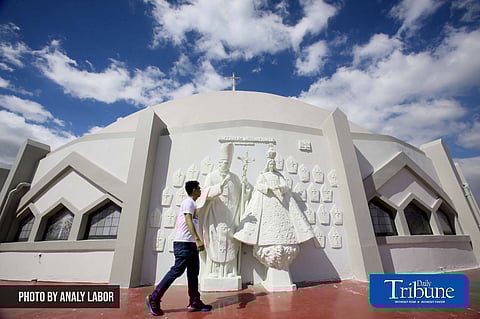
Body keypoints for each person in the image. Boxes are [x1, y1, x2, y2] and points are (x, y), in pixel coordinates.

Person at [146, 180, 212, 316]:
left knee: (193, 273)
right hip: (183, 243)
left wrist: (197, 241)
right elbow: (188, 220)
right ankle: (154, 297)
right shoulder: (188, 202)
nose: (200, 190)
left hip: (191, 244)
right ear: (194, 190)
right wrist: (198, 240)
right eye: (198, 188)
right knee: (177, 270)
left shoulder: (193, 204)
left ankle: (194, 301)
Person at [200, 143, 243, 279]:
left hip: (230, 217)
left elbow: (240, 196)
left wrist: (246, 189)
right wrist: (219, 187)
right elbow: (205, 194)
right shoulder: (211, 176)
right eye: (224, 162)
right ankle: (213, 271)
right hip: (214, 216)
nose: (226, 164)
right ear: (219, 162)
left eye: (228, 162)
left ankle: (230, 271)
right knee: (214, 242)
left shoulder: (235, 178)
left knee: (230, 242)